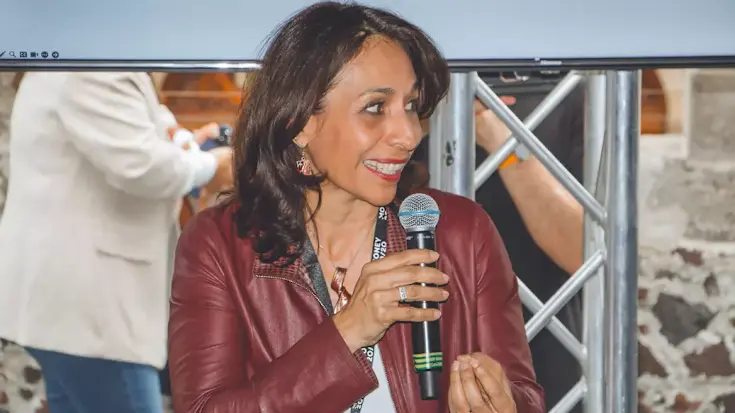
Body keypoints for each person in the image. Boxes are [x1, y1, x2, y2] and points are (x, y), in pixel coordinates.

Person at [167, 3, 544, 413]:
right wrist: (348, 331)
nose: (408, 133)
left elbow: (523, 395)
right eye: (376, 108)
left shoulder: (461, 233)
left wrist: (505, 405)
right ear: (301, 122)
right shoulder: (219, 245)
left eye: (412, 106)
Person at [0, 71, 233, 413]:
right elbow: (142, 166)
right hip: (90, 315)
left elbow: (146, 123)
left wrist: (184, 141)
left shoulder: (93, 60)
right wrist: (213, 165)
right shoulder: (93, 69)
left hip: (73, 311)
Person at [413, 79, 585, 411]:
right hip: (419, 344)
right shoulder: (409, 92)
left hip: (541, 342)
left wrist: (501, 142)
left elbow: (581, 251)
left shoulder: (566, 87)